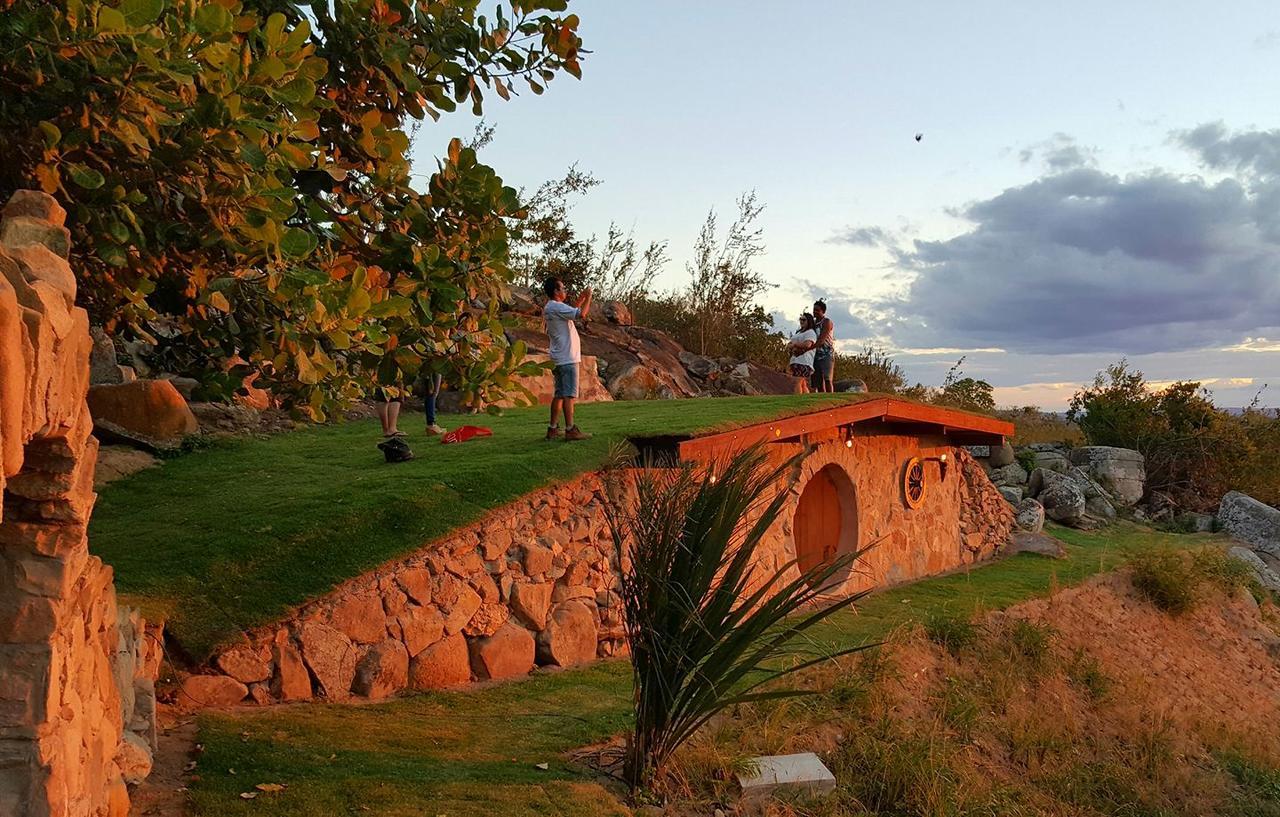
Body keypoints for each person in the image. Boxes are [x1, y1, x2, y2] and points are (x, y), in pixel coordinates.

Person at [542, 276, 593, 441]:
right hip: (568, 357)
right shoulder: (556, 307)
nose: (565, 290)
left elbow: (571, 311)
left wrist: (581, 298)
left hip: (558, 358)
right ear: (556, 291)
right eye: (563, 288)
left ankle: (552, 428)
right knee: (569, 396)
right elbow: (582, 314)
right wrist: (589, 295)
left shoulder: (550, 307)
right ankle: (570, 429)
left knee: (559, 394)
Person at [787, 313, 818, 394]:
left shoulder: (810, 332)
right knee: (803, 384)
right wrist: (791, 346)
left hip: (804, 361)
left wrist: (794, 345)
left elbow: (807, 344)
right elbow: (789, 344)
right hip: (795, 360)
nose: (801, 321)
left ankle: (797, 401)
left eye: (804, 320)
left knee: (797, 383)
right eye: (800, 319)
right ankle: (806, 400)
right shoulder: (799, 332)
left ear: (809, 321)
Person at [811, 298, 836, 393]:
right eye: (814, 310)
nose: (815, 312)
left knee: (827, 378)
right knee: (818, 381)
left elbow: (821, 340)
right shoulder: (813, 323)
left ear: (823, 311)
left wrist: (806, 349)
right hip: (815, 354)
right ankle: (822, 398)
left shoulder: (826, 322)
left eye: (817, 310)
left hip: (827, 354)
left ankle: (830, 398)